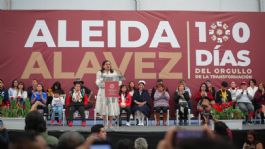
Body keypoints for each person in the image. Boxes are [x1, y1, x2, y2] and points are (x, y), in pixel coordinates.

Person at [95, 60, 122, 128]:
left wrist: (115, 83)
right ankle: (105, 123)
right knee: (104, 108)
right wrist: (104, 81)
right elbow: (97, 82)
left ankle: (110, 124)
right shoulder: (99, 72)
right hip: (103, 92)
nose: (108, 65)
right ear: (103, 65)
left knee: (111, 108)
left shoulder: (114, 72)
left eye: (109, 64)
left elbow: (120, 81)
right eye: (106, 64)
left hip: (111, 91)